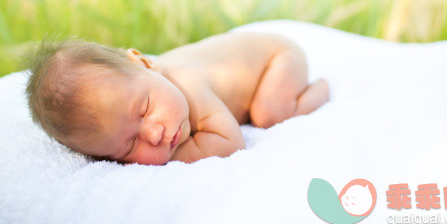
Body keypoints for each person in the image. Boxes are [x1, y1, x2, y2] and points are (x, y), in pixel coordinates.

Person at [25, 31, 329, 165]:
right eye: (129, 146)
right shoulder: (147, 87)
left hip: (277, 56)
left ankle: (320, 90)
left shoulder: (187, 83)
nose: (154, 134)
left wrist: (170, 157)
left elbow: (230, 142)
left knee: (267, 114)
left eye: (144, 109)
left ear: (144, 63)